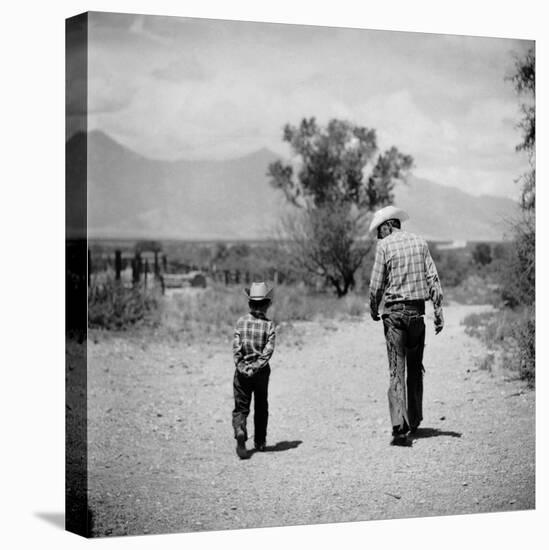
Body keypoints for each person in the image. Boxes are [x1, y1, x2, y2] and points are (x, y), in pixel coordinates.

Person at [368, 206, 444, 446]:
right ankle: (415, 419)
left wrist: (373, 308)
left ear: (387, 226)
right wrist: (438, 311)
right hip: (417, 315)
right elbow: (433, 278)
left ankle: (399, 426)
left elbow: (376, 284)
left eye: (379, 231)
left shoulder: (384, 246)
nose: (379, 236)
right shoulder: (420, 243)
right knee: (414, 367)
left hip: (394, 316)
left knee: (396, 369)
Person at [232, 282, 276, 459]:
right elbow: (268, 351)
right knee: (261, 406)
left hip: (242, 373)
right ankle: (260, 441)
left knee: (241, 406)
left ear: (250, 304)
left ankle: (240, 428)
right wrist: (256, 367)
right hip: (261, 373)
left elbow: (236, 349)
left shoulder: (241, 322)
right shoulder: (269, 325)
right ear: (267, 305)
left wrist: (243, 367)